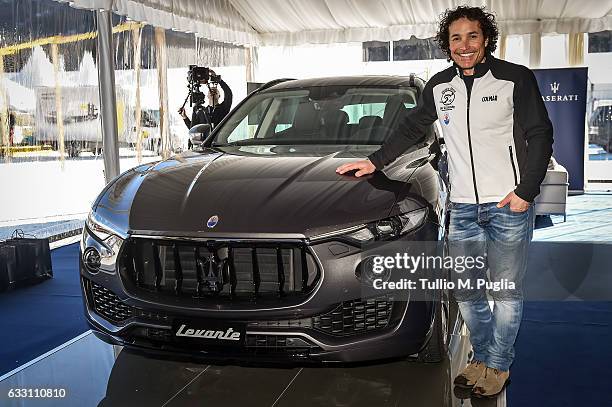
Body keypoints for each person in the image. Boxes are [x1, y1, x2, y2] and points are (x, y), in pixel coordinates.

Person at [336, 5, 553, 398]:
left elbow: (540, 134)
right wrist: (374, 161)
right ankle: (483, 356)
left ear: (486, 38)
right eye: (456, 38)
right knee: (467, 292)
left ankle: (499, 364)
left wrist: (526, 191)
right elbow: (410, 128)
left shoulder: (514, 79)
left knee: (504, 292)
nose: (464, 45)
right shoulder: (440, 87)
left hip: (508, 204)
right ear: (447, 44)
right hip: (464, 208)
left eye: (472, 36)